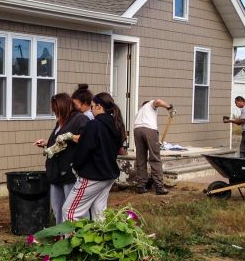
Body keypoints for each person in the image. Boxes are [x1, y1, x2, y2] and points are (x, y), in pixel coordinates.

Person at [63, 92, 126, 222]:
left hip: (93, 176)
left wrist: (75, 166)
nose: (91, 110)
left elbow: (84, 150)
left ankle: (72, 242)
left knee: (70, 212)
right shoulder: (116, 124)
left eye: (92, 106)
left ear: (99, 106)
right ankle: (101, 241)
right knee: (99, 212)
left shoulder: (94, 125)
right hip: (108, 175)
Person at [34, 93, 89, 224]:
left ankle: (77, 233)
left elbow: (87, 139)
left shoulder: (79, 119)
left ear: (64, 106)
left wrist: (69, 137)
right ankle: (61, 234)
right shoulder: (60, 122)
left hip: (69, 171)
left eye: (56, 109)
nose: (55, 112)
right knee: (57, 206)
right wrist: (47, 143)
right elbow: (58, 141)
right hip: (55, 172)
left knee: (71, 208)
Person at [133, 99, 174, 195]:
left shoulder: (141, 111)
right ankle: (159, 187)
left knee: (141, 158)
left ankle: (141, 186)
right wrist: (169, 107)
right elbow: (158, 101)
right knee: (155, 158)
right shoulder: (150, 104)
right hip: (149, 130)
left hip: (137, 130)